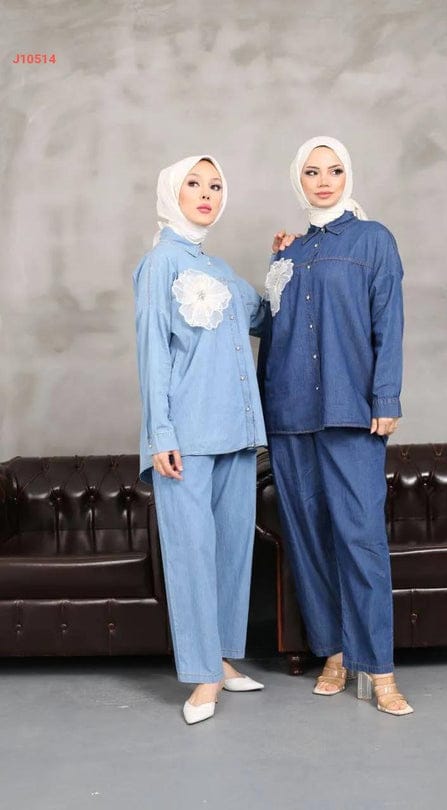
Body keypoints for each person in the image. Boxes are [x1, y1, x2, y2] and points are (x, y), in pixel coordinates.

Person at [258, 136, 413, 715]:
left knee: (361, 537)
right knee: (308, 538)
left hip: (352, 412)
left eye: (334, 170)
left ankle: (380, 668)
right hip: (290, 415)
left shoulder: (374, 240)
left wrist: (386, 395)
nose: (324, 181)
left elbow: (388, 321)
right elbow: (274, 334)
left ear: (349, 176)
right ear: (297, 180)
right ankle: (335, 653)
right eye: (312, 172)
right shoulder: (288, 254)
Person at [133, 155, 267, 725]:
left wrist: (289, 262)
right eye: (194, 183)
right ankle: (202, 674)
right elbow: (152, 349)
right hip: (186, 435)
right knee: (191, 553)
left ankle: (222, 657)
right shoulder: (159, 263)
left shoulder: (220, 268)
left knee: (232, 550)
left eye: (215, 185)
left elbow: (264, 317)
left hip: (237, 430)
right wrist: (160, 432)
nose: (206, 193)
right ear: (173, 191)